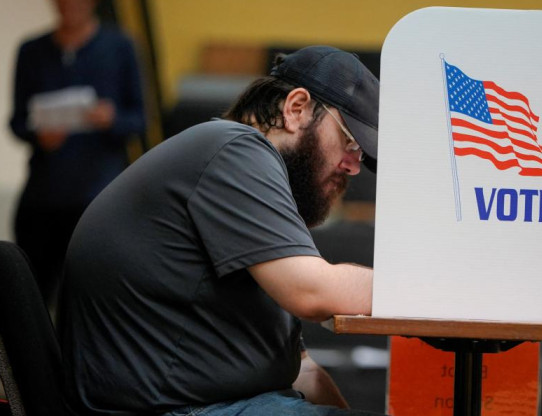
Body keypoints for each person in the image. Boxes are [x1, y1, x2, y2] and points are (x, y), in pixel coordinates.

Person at [59, 46, 383, 415]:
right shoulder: (236, 149)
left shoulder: (241, 183)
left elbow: (304, 371)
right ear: (296, 108)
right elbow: (311, 291)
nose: (353, 166)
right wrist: (425, 289)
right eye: (350, 142)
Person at [8, 0, 146, 310]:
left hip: (98, 191)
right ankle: (36, 357)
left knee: (92, 296)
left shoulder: (120, 46)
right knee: (31, 293)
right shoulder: (32, 50)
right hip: (45, 191)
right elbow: (17, 121)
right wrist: (38, 134)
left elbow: (138, 120)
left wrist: (110, 119)